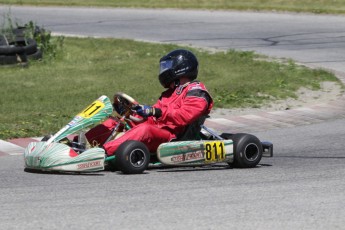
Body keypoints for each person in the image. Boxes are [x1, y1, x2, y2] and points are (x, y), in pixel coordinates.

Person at [85, 49, 213, 156]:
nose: (164, 71)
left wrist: (155, 112)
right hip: (159, 130)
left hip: (174, 137)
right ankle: (81, 144)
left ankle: (101, 153)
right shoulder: (170, 92)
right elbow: (154, 117)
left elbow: (184, 116)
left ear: (180, 68)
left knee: (145, 130)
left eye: (167, 67)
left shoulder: (197, 92)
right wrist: (134, 113)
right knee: (115, 122)